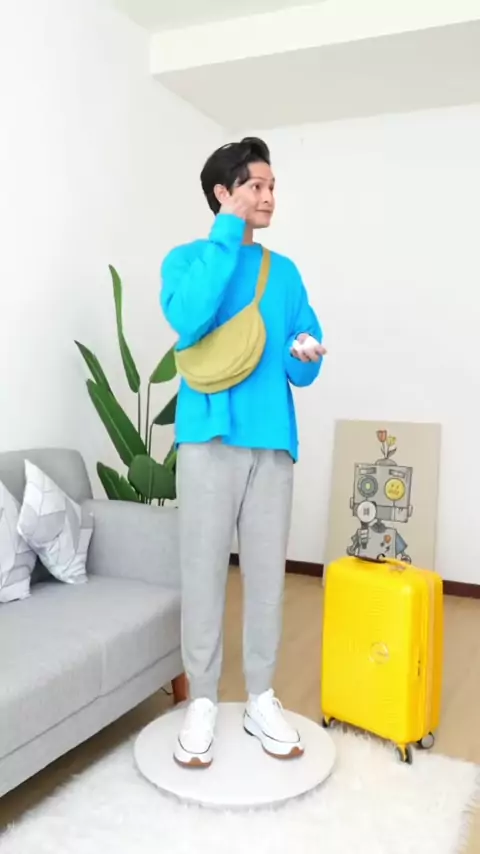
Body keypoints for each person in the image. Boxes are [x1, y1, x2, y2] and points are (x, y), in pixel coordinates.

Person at [160, 137, 326, 769]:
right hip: (207, 441)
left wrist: (304, 353)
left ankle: (260, 697)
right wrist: (227, 235)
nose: (269, 196)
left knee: (266, 580)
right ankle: (202, 700)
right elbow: (189, 318)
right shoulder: (188, 260)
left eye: (272, 186)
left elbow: (301, 356)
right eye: (256, 185)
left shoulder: (285, 273)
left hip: (272, 444)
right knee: (203, 574)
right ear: (222, 193)